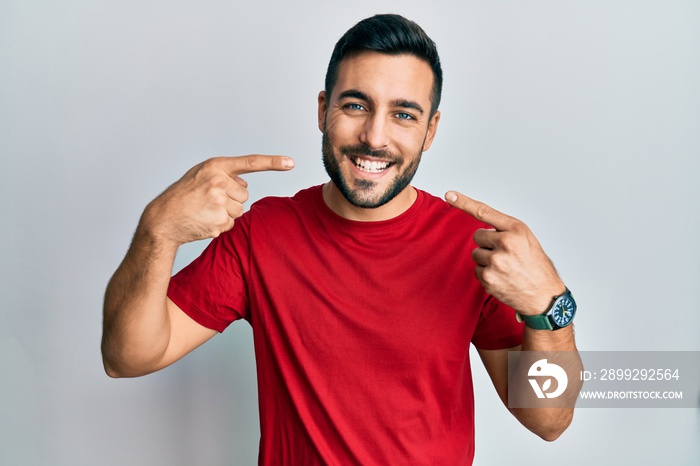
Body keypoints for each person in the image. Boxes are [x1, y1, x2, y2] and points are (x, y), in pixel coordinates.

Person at [102, 14, 581, 465]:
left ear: (430, 130)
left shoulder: (471, 247)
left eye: (404, 115)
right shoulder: (263, 234)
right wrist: (158, 229)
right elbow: (128, 356)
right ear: (322, 109)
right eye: (356, 105)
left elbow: (548, 419)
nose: (375, 137)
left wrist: (548, 305)